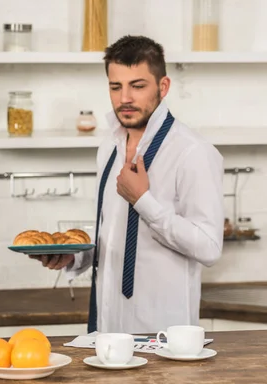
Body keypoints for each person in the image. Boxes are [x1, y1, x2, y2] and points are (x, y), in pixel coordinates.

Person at [32, 35, 224, 334]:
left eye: (137, 86)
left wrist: (143, 200)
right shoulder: (108, 147)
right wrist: (76, 256)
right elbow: (115, 232)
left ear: (163, 87)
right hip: (107, 330)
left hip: (166, 334)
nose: (125, 98)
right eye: (115, 86)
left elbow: (209, 247)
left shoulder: (193, 152)